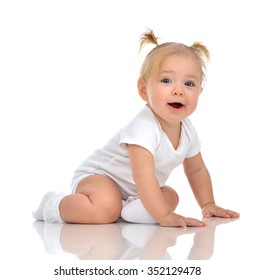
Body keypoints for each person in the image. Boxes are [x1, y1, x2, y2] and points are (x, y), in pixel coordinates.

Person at [33, 29, 239, 228]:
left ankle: (128, 211)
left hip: (136, 191)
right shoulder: (144, 128)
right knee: (105, 209)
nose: (178, 90)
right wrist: (165, 216)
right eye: (166, 81)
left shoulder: (187, 130)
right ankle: (53, 205)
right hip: (100, 178)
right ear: (143, 90)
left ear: (199, 92)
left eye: (189, 83)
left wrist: (207, 204)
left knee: (171, 196)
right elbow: (143, 176)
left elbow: (196, 170)